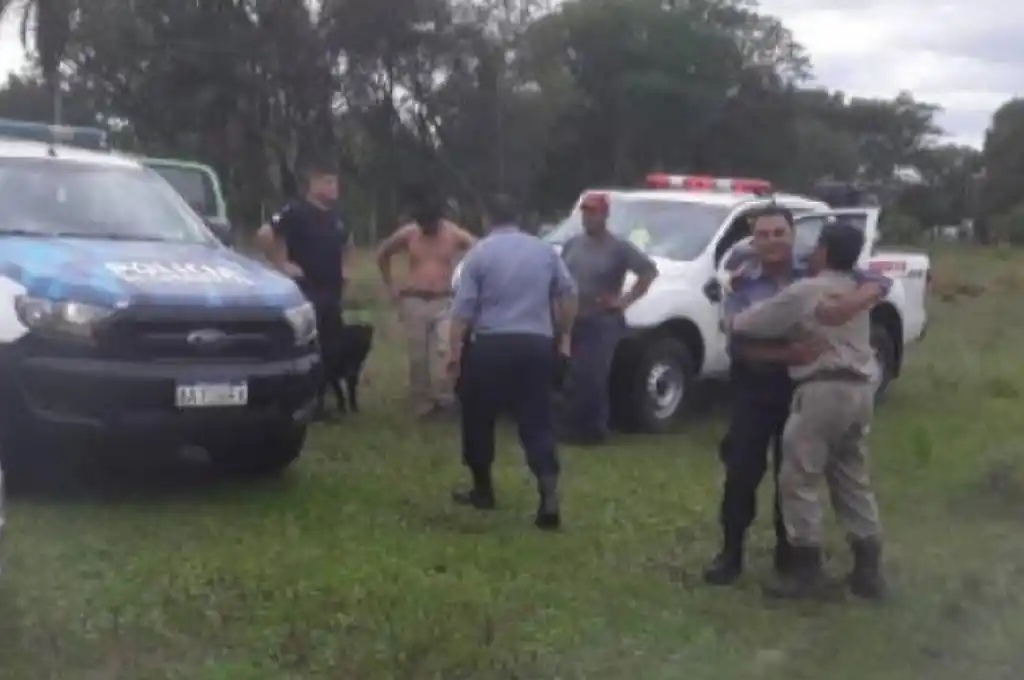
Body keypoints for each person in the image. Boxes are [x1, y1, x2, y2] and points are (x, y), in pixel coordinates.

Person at [704, 205, 891, 586]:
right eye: (763, 235)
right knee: (742, 473)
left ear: (794, 237)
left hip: (805, 389)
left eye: (779, 233)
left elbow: (877, 278)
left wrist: (853, 302)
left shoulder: (814, 273)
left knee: (792, 476)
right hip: (757, 388)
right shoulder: (743, 280)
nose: (771, 241)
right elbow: (736, 341)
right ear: (753, 241)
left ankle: (793, 561)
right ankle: (731, 554)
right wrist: (786, 354)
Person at [445, 194, 578, 530]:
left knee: (478, 418)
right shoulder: (544, 251)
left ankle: (483, 489)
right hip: (535, 345)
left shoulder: (479, 254)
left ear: (487, 219)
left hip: (491, 346)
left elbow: (462, 312)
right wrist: (564, 334)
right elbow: (568, 293)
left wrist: (454, 355)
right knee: (537, 421)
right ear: (519, 219)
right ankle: (548, 496)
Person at [559, 192, 657, 445]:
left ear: (605, 215)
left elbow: (648, 271)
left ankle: (594, 431)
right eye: (585, 212)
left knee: (593, 375)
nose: (588, 217)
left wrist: (624, 300)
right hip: (573, 318)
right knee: (572, 374)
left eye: (593, 212)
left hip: (602, 321)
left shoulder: (618, 247)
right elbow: (560, 277)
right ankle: (569, 427)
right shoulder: (572, 245)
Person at [256, 159, 350, 421]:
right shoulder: (296, 211)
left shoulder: (334, 217)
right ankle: (304, 402)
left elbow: (346, 244)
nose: (334, 187)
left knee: (331, 349)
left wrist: (346, 270)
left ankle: (324, 401)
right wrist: (281, 263)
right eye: (328, 182)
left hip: (331, 292)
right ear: (313, 184)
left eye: (335, 182)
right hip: (307, 291)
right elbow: (265, 234)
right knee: (309, 347)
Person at [376, 192, 476, 419]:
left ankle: (445, 398)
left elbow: (479, 250)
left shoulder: (454, 234)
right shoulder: (409, 234)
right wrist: (391, 284)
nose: (426, 229)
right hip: (415, 300)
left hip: (444, 299)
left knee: (445, 349)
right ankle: (422, 404)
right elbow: (383, 253)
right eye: (423, 225)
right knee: (418, 355)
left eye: (430, 224)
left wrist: (466, 284)